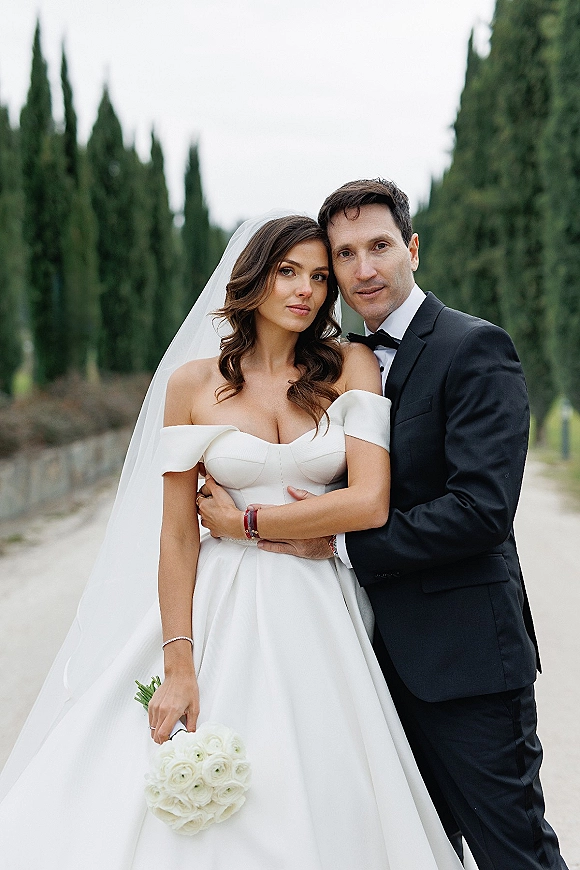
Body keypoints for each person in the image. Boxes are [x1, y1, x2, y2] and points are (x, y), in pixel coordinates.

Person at [0, 212, 464, 869]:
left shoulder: (351, 365)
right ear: (252, 278)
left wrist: (244, 523)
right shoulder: (192, 385)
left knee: (329, 780)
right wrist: (179, 664)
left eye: (319, 277)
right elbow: (176, 534)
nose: (305, 289)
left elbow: (368, 502)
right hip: (222, 604)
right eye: (287, 272)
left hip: (321, 605)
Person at [200, 179, 568, 870]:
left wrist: (333, 540)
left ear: (412, 249)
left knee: (513, 850)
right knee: (410, 852)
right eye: (344, 254)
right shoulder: (333, 367)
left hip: (463, 659)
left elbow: (481, 511)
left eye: (379, 246)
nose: (363, 269)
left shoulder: (474, 348)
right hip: (361, 658)